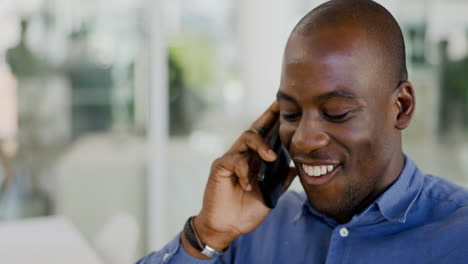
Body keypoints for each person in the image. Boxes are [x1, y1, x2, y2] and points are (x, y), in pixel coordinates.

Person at [137, 0, 468, 263]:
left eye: (336, 112)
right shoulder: (249, 229)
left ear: (402, 106)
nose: (303, 140)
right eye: (291, 113)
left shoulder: (459, 236)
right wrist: (205, 236)